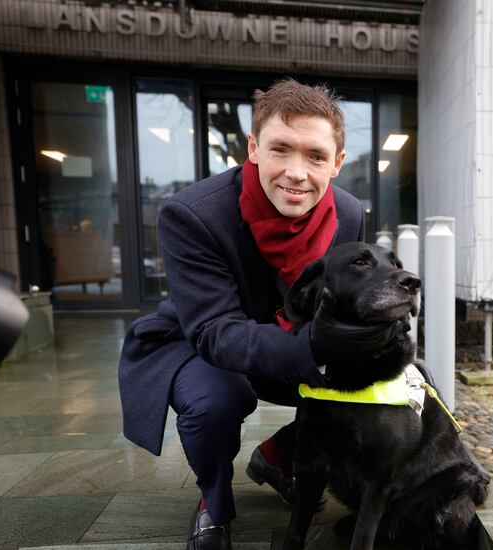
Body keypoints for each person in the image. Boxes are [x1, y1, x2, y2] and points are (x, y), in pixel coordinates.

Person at [118, 78, 401, 550]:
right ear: (252, 147)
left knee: (386, 384)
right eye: (280, 149)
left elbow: (349, 296)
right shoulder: (192, 214)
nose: (296, 172)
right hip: (201, 342)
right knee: (217, 399)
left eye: (314, 156)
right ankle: (214, 502)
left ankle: (276, 455)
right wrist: (315, 347)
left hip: (294, 334)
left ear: (337, 163)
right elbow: (214, 331)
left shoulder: (349, 213)